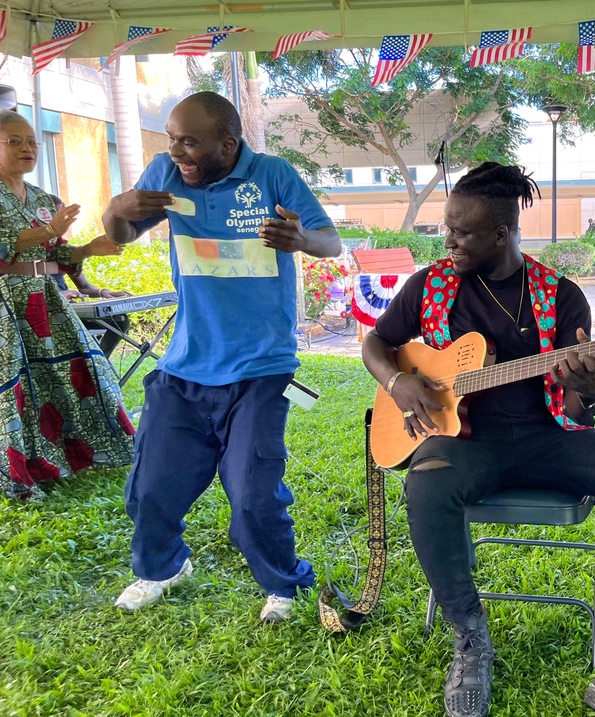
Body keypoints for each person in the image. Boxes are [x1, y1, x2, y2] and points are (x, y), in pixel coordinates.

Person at [362, 162, 595, 717]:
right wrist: (397, 379)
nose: (448, 239)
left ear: (501, 235)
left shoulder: (560, 295)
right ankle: (470, 638)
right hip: (464, 444)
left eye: (462, 232)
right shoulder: (429, 285)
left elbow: (581, 408)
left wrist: (591, 380)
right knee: (426, 484)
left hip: (547, 438)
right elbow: (378, 342)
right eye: (447, 227)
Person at [103, 91, 341, 623]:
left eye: (189, 141)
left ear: (227, 144)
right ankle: (161, 569)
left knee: (254, 493)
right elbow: (119, 235)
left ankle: (284, 583)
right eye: (171, 138)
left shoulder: (273, 175)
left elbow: (332, 243)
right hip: (184, 366)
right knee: (150, 486)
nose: (176, 150)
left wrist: (301, 238)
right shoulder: (165, 172)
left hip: (261, 368)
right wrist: (114, 211)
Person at [0, 110, 135, 500]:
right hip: (5, 303)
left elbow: (58, 255)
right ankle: (19, 469)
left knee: (80, 369)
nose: (27, 148)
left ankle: (76, 453)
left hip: (45, 301)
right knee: (13, 385)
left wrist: (89, 249)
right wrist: (46, 231)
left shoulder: (46, 200)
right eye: (15, 141)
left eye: (31, 142)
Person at [49, 194, 132, 358]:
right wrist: (57, 295)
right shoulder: (22, 252)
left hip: (73, 311)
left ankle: (100, 363)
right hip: (47, 315)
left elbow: (85, 287)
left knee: (120, 320)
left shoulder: (63, 251)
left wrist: (103, 292)